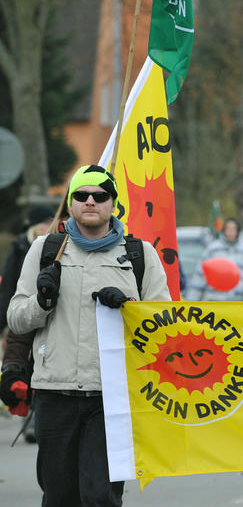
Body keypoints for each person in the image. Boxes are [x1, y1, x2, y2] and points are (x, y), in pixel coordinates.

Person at [6, 164, 170, 506]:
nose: (90, 201)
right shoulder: (45, 250)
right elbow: (17, 320)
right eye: (81, 195)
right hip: (53, 393)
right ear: (69, 204)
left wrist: (130, 309)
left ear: (113, 202)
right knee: (59, 498)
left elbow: (165, 330)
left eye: (100, 195)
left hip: (111, 397)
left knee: (99, 497)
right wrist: (42, 301)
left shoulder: (140, 255)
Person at [0, 205, 54, 443]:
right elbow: (9, 286)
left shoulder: (55, 245)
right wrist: (6, 321)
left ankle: (36, 419)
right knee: (23, 368)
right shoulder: (21, 248)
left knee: (40, 365)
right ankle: (28, 420)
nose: (49, 224)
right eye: (46, 221)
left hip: (46, 310)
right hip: (22, 312)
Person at [184, 218, 243, 301]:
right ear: (224, 230)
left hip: (237, 304)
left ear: (238, 231)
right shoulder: (213, 249)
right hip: (213, 301)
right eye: (228, 229)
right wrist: (191, 302)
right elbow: (199, 276)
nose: (230, 232)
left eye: (233, 229)